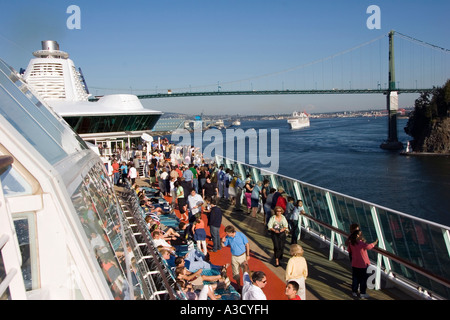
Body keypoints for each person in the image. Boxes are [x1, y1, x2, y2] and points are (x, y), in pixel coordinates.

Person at [347, 230, 378, 299]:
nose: (362, 236)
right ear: (357, 236)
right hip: (362, 265)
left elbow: (349, 250)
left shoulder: (351, 243)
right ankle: (362, 293)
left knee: (355, 278)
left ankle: (354, 291)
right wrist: (375, 242)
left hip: (355, 264)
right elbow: (369, 246)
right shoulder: (361, 244)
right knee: (363, 279)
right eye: (361, 235)